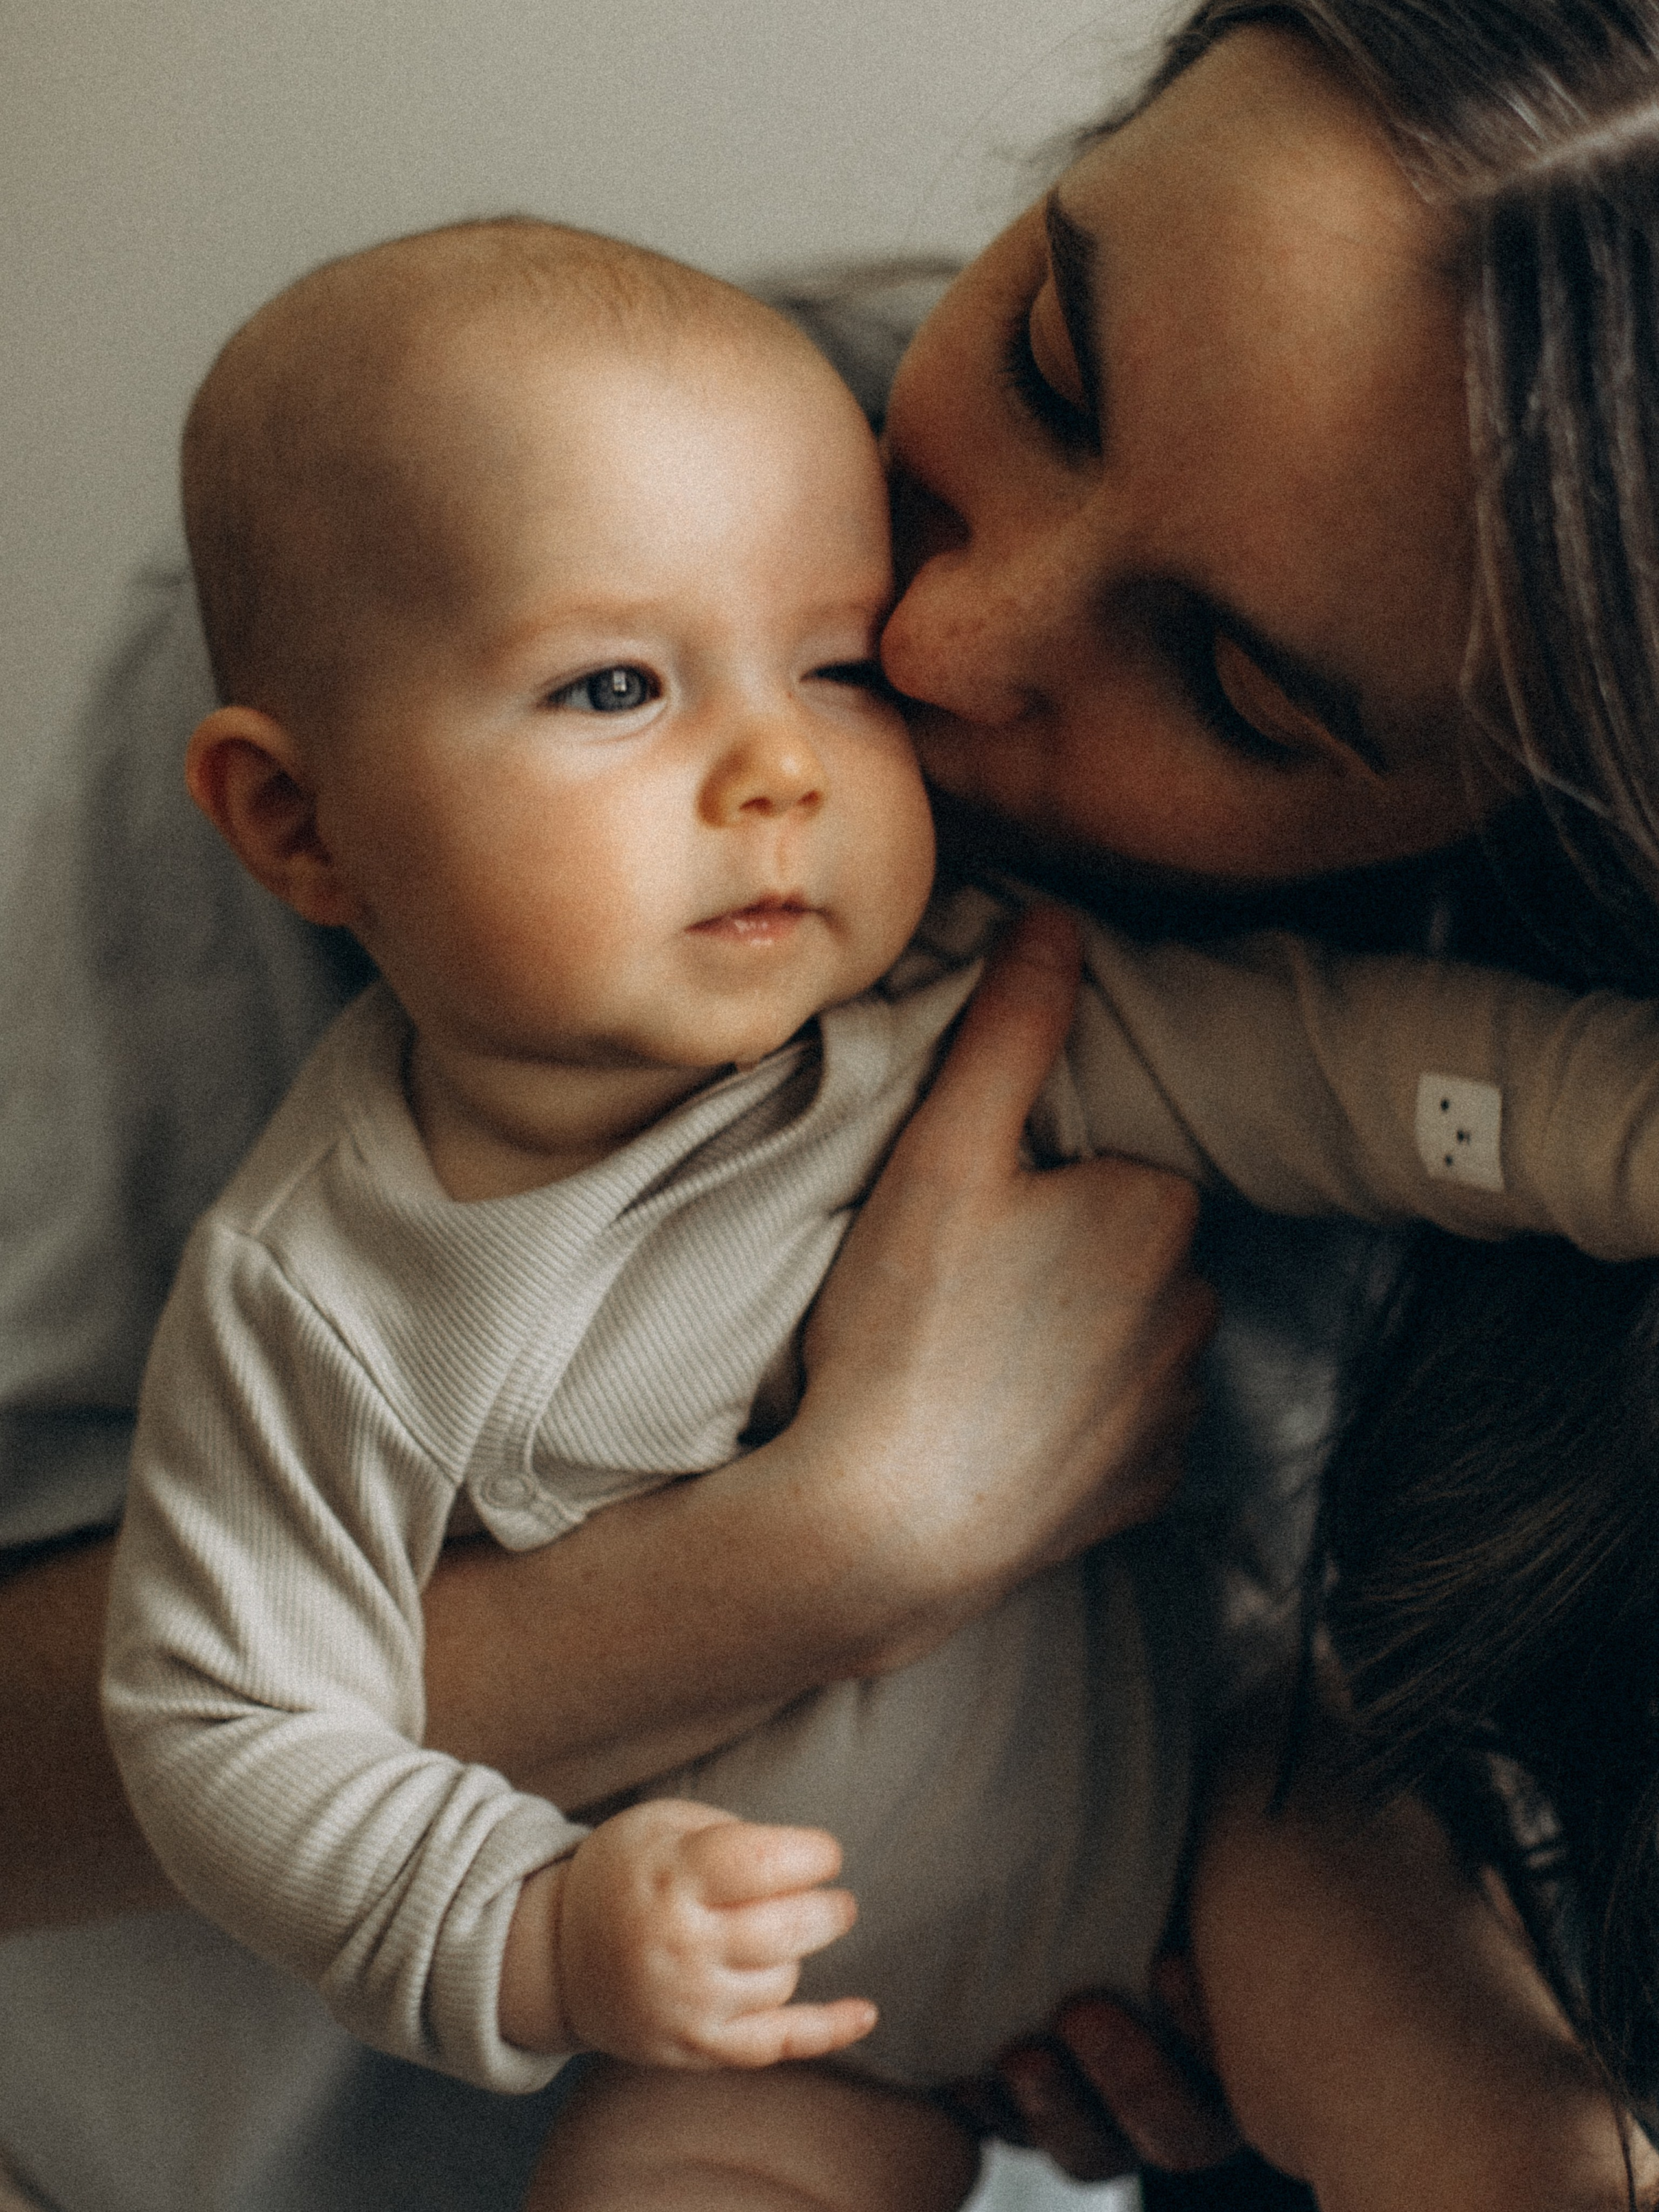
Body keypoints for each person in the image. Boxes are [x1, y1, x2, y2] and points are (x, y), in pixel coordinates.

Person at [6, 1, 1659, 2205]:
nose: (940, 647)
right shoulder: (426, 567)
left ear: (1524, 839)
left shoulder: (1115, 1001)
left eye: (1242, 688)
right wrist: (841, 1549)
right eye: (1053, 363)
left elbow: (1401, 1092)